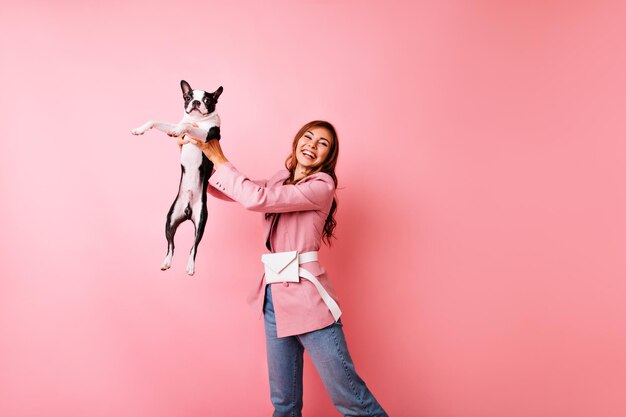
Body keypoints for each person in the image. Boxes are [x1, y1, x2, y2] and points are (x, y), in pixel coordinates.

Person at [176, 120, 388, 417]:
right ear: (296, 141)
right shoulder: (279, 180)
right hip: (273, 298)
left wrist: (220, 157)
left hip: (308, 300)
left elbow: (255, 198)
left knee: (353, 401)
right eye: (308, 137)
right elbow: (236, 190)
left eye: (322, 144)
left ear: (329, 157)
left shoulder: (321, 186)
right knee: (284, 405)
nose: (312, 146)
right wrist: (194, 152)